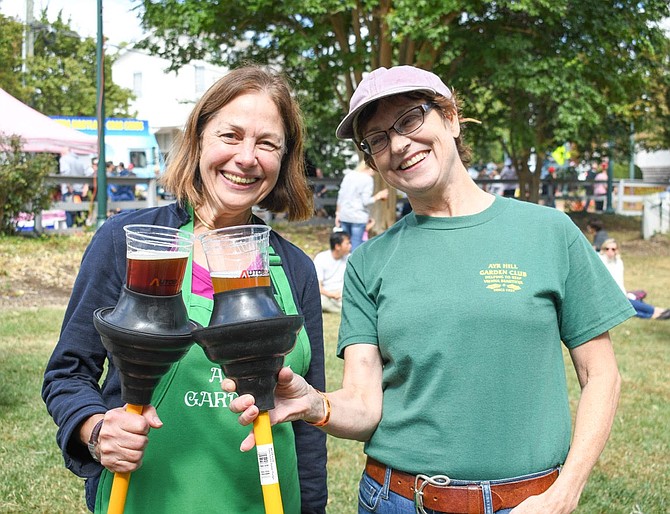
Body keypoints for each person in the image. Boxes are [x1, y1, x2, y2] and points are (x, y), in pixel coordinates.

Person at [227, 65, 634, 514]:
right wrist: (314, 403)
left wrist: (565, 492)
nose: (398, 144)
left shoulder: (549, 232)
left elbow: (602, 375)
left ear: (452, 118)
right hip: (397, 500)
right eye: (377, 139)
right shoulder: (368, 262)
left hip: (528, 503)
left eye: (410, 119)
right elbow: (365, 405)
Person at [42, 65, 327, 514]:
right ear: (197, 140)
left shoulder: (295, 269)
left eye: (267, 143)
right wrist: (95, 430)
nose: (247, 157)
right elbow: (68, 372)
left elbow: (307, 423)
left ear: (284, 160)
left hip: (270, 501)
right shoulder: (129, 243)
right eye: (230, 135)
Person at [599, 238, 670, 320]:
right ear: (603, 249)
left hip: (619, 293)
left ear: (617, 250)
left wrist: (624, 294)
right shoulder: (600, 261)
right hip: (607, 295)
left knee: (629, 305)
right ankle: (656, 312)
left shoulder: (618, 262)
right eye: (607, 249)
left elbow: (619, 281)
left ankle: (655, 313)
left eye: (613, 249)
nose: (610, 251)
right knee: (628, 305)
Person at [335, 160, 389, 250]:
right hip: (358, 217)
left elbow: (341, 196)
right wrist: (379, 196)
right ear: (371, 168)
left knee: (345, 245)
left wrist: (338, 213)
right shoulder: (367, 179)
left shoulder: (349, 175)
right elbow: (366, 201)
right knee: (356, 246)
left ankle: (345, 263)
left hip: (344, 215)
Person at [313, 231, 352, 313]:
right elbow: (317, 286)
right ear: (337, 246)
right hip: (327, 294)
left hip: (343, 294)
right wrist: (331, 295)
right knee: (319, 300)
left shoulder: (349, 258)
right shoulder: (321, 258)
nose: (350, 246)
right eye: (347, 244)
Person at [59, 147, 88, 227]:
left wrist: (69, 186)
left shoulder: (64, 159)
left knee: (69, 212)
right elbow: (88, 173)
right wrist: (86, 186)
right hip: (80, 190)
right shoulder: (79, 159)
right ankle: (80, 230)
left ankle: (70, 231)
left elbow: (65, 173)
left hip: (69, 190)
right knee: (79, 213)